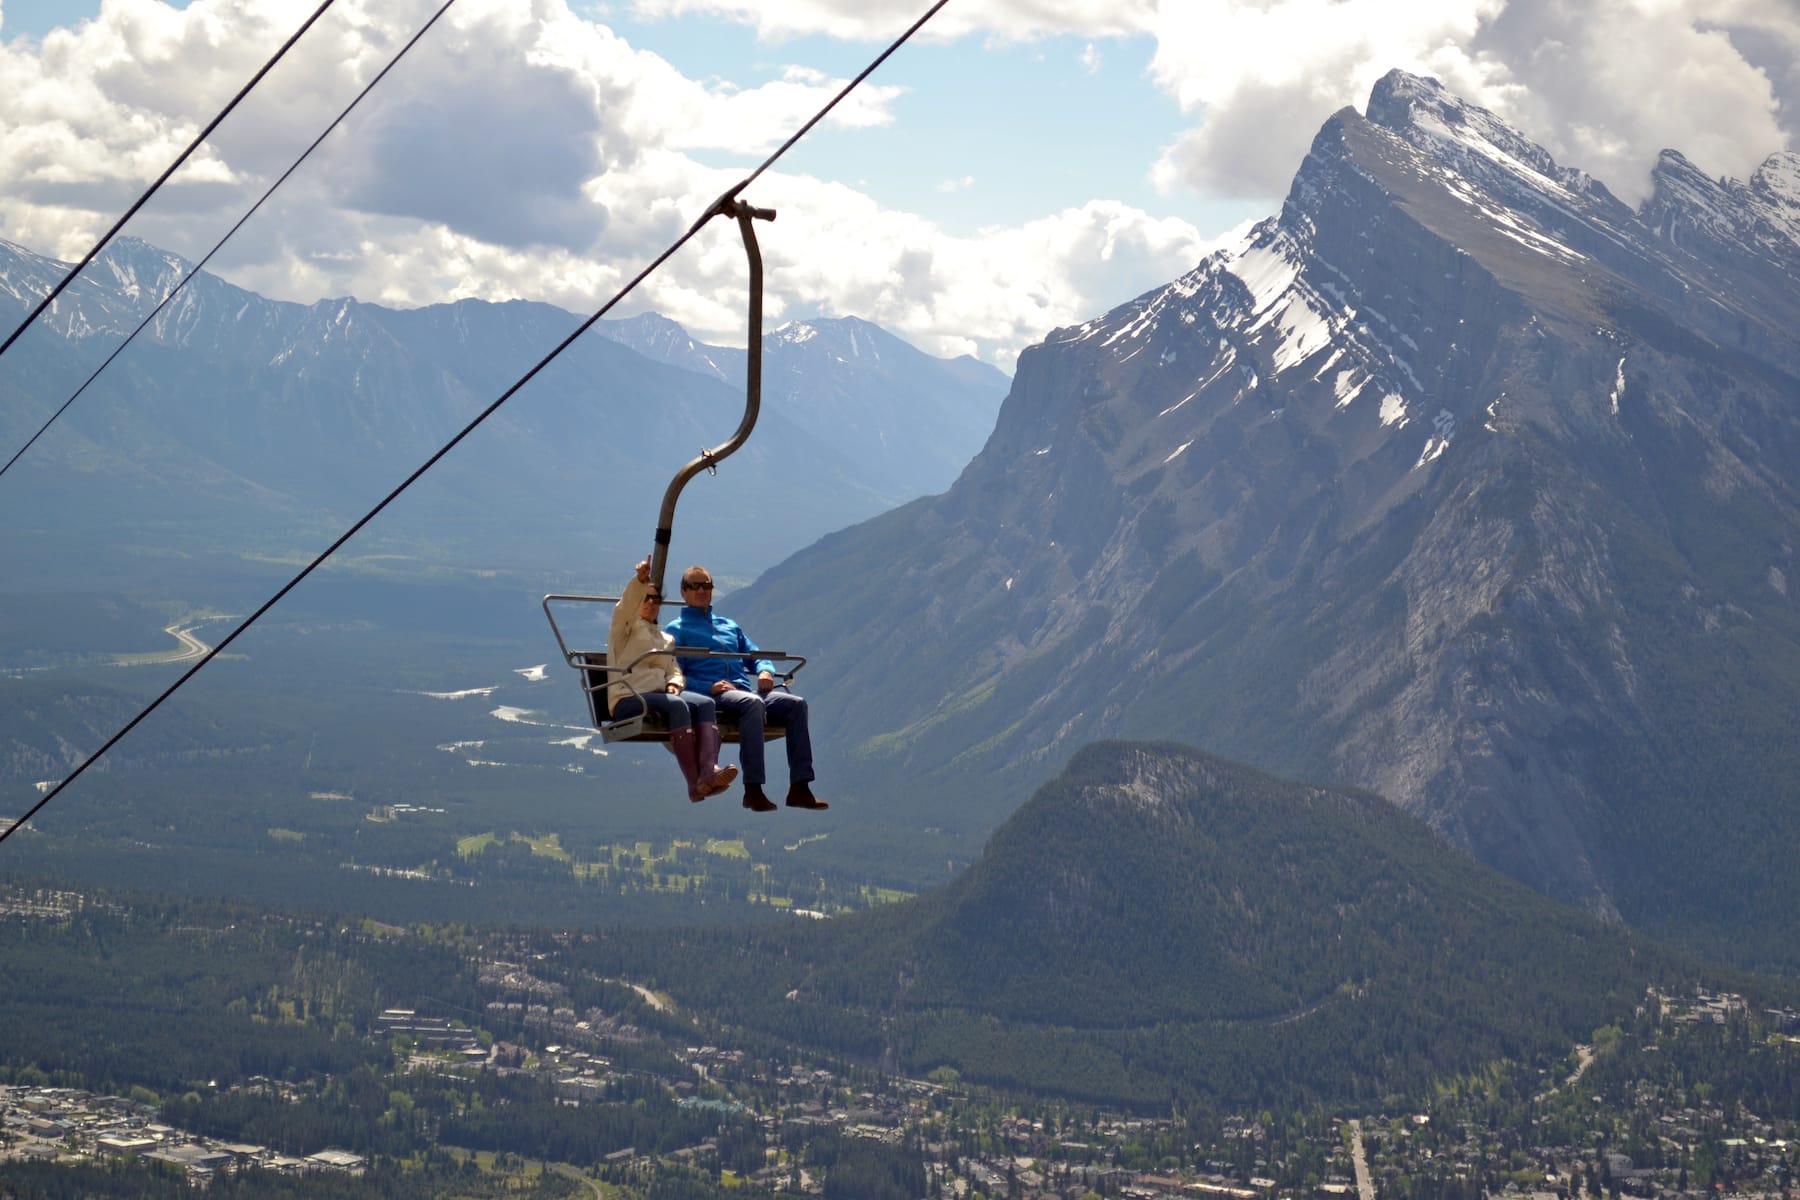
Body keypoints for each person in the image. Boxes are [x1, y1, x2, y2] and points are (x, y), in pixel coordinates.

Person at [664, 565, 826, 813]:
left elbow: (756, 654)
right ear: (683, 592)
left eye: (706, 585)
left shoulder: (729, 625)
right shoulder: (677, 630)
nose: (701, 591)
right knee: (753, 704)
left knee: (796, 705)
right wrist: (708, 686)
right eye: (694, 586)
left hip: (743, 691)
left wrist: (764, 670)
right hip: (714, 695)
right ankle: (753, 789)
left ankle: (800, 787)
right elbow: (673, 673)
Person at [608, 558, 737, 803]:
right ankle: (695, 784)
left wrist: (675, 683)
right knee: (677, 705)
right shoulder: (624, 630)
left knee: (705, 704)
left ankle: (709, 771)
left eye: (656, 600)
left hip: (660, 695)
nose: (651, 604)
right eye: (645, 599)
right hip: (629, 697)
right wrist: (639, 582)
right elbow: (623, 608)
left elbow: (674, 669)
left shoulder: (665, 638)